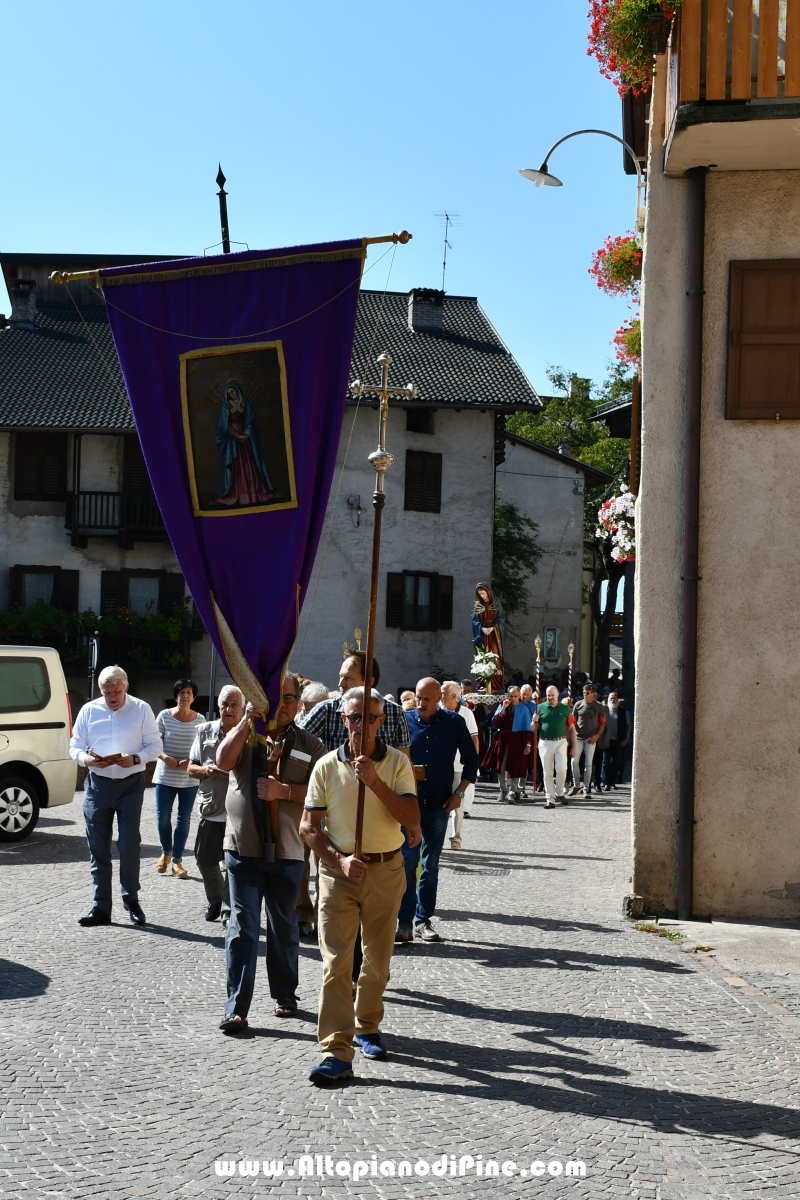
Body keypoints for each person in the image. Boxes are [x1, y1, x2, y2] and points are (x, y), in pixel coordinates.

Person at [300, 688, 420, 1083]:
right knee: (336, 964)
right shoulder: (325, 767)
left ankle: (367, 1023)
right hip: (338, 876)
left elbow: (408, 814)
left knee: (377, 962)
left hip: (386, 871)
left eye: (369, 718)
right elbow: (308, 828)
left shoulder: (398, 763)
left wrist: (374, 782)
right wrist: (338, 860)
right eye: (353, 717)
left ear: (381, 721)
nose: (360, 725)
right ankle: (336, 1049)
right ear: (342, 719)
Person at [215, 673, 325, 1034]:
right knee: (242, 926)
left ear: (299, 703)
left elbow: (324, 792)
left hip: (290, 851)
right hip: (243, 849)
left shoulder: (311, 744)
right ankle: (236, 1008)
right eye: (278, 699)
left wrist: (285, 792)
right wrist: (247, 720)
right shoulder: (247, 732)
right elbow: (223, 759)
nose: (285, 705)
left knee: (284, 927)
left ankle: (284, 994)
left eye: (290, 699)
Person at [70, 665, 162, 927]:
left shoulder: (142, 709)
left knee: (129, 845)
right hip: (97, 784)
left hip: (130, 784)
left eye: (116, 691)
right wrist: (86, 759)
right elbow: (74, 745)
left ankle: (131, 899)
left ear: (126, 687)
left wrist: (135, 758)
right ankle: (101, 906)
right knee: (98, 847)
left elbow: (156, 745)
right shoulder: (89, 710)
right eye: (106, 692)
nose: (112, 696)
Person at [398, 678, 480, 942]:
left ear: (440, 700)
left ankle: (423, 920)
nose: (422, 703)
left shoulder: (454, 723)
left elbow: (471, 761)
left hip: (439, 803)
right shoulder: (405, 721)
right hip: (408, 804)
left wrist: (459, 793)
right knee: (407, 861)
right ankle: (404, 922)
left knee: (429, 863)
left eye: (428, 699)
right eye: (419, 698)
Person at [186, 685, 245, 922]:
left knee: (236, 865)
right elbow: (190, 768)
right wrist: (206, 770)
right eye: (224, 704)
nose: (228, 709)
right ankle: (215, 899)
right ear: (218, 706)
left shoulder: (249, 733)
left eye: (233, 705)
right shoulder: (204, 731)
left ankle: (229, 908)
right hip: (211, 808)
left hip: (239, 811)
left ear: (241, 709)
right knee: (204, 859)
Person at [299, 651, 410, 759]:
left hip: (381, 778)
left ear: (369, 682)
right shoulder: (326, 710)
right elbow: (296, 740)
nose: (340, 683)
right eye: (340, 676)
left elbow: (404, 759)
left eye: (348, 678)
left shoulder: (395, 712)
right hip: (337, 777)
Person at [152, 679, 206, 879]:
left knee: (183, 820)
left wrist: (191, 762)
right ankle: (165, 852)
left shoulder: (200, 720)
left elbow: (203, 746)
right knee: (163, 818)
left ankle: (177, 860)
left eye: (189, 692)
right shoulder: (164, 716)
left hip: (188, 778)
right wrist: (166, 758)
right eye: (182, 692)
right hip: (165, 775)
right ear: (176, 696)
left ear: (194, 697)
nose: (185, 695)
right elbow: (155, 742)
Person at [296, 679, 331, 935]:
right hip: (301, 804)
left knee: (325, 861)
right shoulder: (296, 728)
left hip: (329, 805)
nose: (314, 713)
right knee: (299, 861)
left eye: (320, 707)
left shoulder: (333, 724)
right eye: (310, 707)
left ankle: (322, 913)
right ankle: (301, 913)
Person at [215, 380, 274, 506]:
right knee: (238, 466)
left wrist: (247, 433)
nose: (232, 393)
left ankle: (254, 491)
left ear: (237, 390)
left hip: (247, 439)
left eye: (233, 391)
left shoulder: (244, 403)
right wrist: (237, 436)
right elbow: (225, 426)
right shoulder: (227, 406)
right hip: (234, 441)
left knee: (250, 463)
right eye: (230, 392)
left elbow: (250, 420)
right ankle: (240, 492)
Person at [440, 681, 480, 849]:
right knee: (438, 805)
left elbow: (474, 740)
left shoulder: (466, 714)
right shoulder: (438, 712)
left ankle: (456, 839)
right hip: (440, 766)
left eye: (443, 694)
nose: (440, 697)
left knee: (457, 805)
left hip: (458, 767)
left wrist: (472, 766)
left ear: (454, 696)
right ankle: (437, 840)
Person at [482, 686, 528, 804]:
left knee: (515, 766)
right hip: (503, 739)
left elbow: (528, 728)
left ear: (519, 696)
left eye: (515, 696)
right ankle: (503, 790)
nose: (513, 699)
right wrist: (503, 708)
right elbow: (495, 723)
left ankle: (513, 792)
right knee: (500, 766)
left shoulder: (523, 708)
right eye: (511, 696)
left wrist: (528, 744)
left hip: (517, 740)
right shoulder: (503, 705)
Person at [533, 685, 575, 809]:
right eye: (548, 695)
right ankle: (550, 799)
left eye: (552, 695)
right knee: (547, 772)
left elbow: (572, 728)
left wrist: (574, 746)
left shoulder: (565, 708)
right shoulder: (539, 707)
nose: (550, 697)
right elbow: (533, 728)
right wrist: (534, 721)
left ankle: (560, 792)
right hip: (545, 742)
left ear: (557, 695)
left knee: (562, 769)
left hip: (561, 741)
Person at [568, 683, 606, 798]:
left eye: (587, 693)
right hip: (578, 737)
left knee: (588, 764)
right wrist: (572, 736)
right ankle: (576, 785)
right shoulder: (578, 705)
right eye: (584, 692)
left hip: (591, 737)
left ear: (593, 694)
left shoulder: (599, 706)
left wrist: (597, 736)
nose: (585, 695)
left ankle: (586, 789)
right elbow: (573, 722)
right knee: (574, 762)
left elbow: (603, 723)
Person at [471, 583, 505, 691]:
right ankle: (484, 684)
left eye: (483, 593)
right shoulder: (478, 605)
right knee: (483, 657)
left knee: (495, 657)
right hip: (483, 636)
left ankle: (497, 684)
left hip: (494, 635)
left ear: (488, 592)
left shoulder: (496, 603)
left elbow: (501, 617)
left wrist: (494, 627)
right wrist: (481, 628)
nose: (482, 596)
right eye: (480, 594)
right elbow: (475, 621)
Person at [598, 691, 629, 791]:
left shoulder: (623, 711)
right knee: (605, 762)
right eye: (611, 697)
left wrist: (626, 738)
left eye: (615, 697)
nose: (613, 699)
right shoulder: (604, 710)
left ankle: (612, 782)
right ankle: (605, 782)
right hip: (606, 740)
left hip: (619, 741)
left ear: (618, 699)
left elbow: (628, 726)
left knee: (616, 763)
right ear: (608, 699)